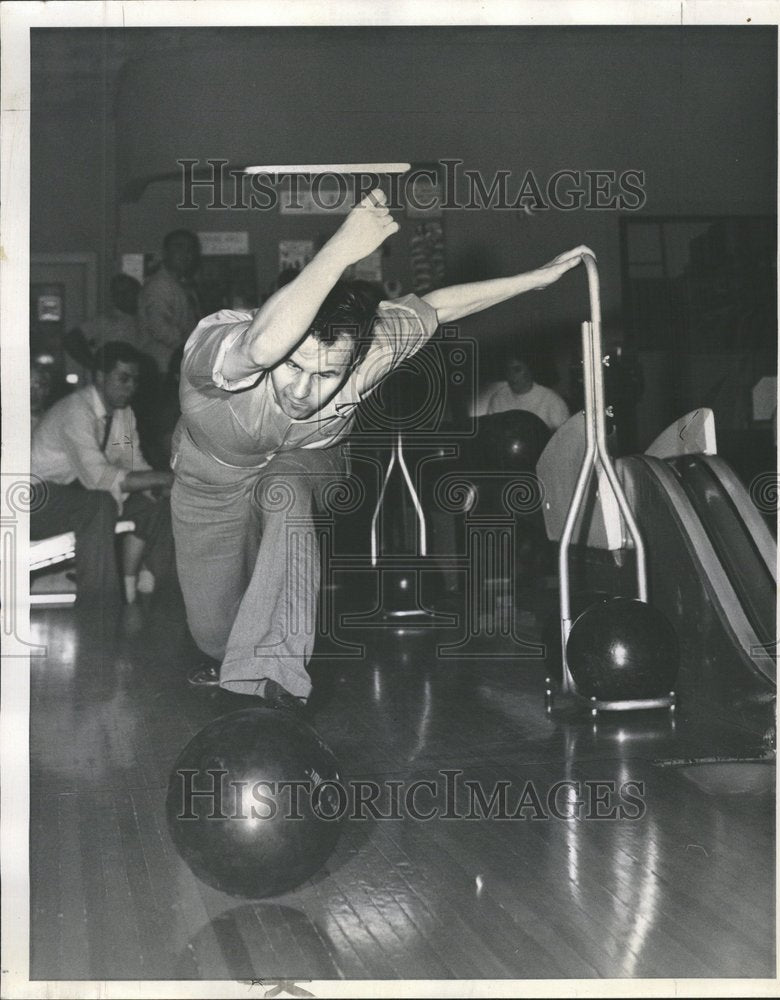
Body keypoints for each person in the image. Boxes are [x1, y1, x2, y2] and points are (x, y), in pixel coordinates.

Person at [173, 189, 592, 712]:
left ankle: (272, 674)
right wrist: (345, 245)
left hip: (307, 462)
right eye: (295, 368)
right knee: (214, 633)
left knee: (283, 489)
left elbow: (438, 306)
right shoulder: (218, 343)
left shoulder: (370, 347)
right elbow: (262, 347)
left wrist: (536, 279)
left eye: (327, 375)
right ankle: (233, 652)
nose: (304, 391)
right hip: (211, 481)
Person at [31, 342, 175, 607]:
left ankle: (162, 601)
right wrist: (163, 478)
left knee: (156, 506)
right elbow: (99, 477)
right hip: (30, 499)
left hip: (65, 494)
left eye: (135, 379)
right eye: (123, 378)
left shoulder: (122, 414)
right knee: (98, 504)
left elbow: (133, 464)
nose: (131, 386)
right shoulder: (75, 412)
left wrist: (162, 486)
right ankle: (98, 609)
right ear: (100, 377)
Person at [138, 229, 202, 377]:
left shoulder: (182, 285)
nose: (186, 254)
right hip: (162, 369)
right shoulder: (159, 285)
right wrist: (192, 347)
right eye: (179, 247)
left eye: (190, 249)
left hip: (179, 365)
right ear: (165, 252)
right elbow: (159, 328)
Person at [487, 353, 570, 431]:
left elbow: (565, 438)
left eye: (517, 370)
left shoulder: (552, 400)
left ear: (530, 370)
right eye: (508, 370)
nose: (511, 375)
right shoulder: (498, 399)